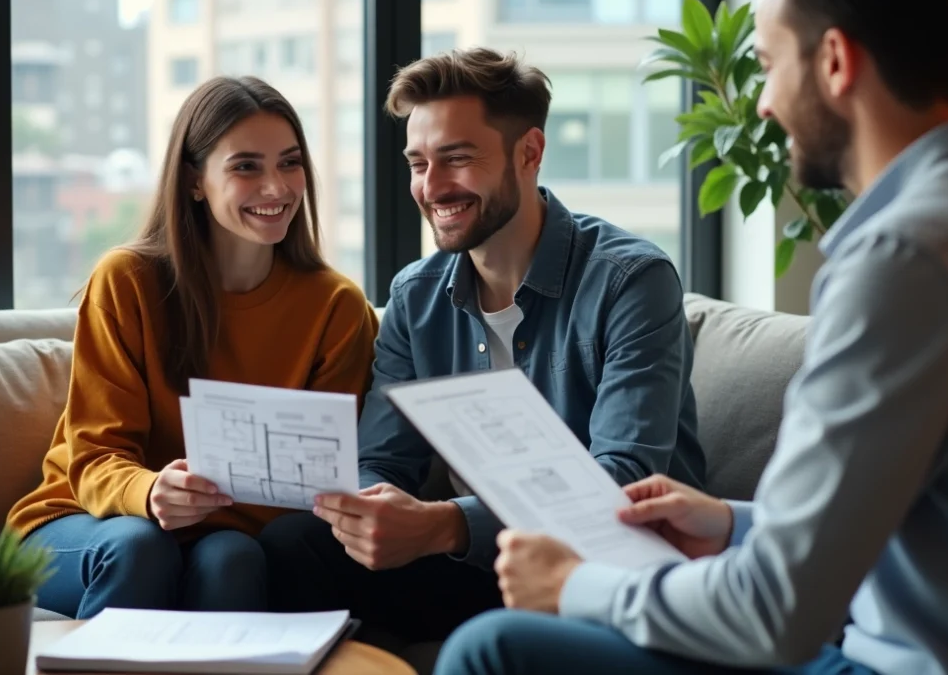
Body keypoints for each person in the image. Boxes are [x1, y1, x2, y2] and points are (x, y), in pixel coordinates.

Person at [434, 0, 948, 675]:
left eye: (766, 63)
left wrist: (579, 584)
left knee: (494, 649)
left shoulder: (907, 258)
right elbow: (913, 520)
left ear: (833, 62)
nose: (763, 101)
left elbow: (777, 613)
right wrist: (732, 524)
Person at [259, 47, 707, 641]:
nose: (431, 186)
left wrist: (445, 526)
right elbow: (384, 459)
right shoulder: (416, 297)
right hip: (489, 563)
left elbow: (620, 480)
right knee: (292, 546)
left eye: (457, 159)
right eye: (417, 163)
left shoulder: (631, 281)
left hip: (611, 567)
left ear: (530, 153)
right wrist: (375, 510)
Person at [7, 76, 379, 619]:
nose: (276, 187)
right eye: (246, 166)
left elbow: (317, 486)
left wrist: (207, 512)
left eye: (290, 162)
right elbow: (93, 459)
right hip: (85, 520)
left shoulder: (338, 307)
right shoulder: (128, 281)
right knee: (140, 548)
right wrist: (153, 491)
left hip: (223, 534)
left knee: (235, 561)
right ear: (195, 181)